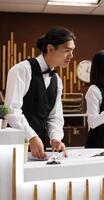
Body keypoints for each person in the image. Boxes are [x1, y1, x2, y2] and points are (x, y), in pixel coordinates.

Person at [5, 26, 76, 159]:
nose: (71, 56)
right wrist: (31, 137)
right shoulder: (22, 70)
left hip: (40, 149)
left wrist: (55, 138)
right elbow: (11, 110)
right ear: (50, 48)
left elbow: (55, 116)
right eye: (67, 51)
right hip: (13, 147)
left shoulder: (57, 80)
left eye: (72, 51)